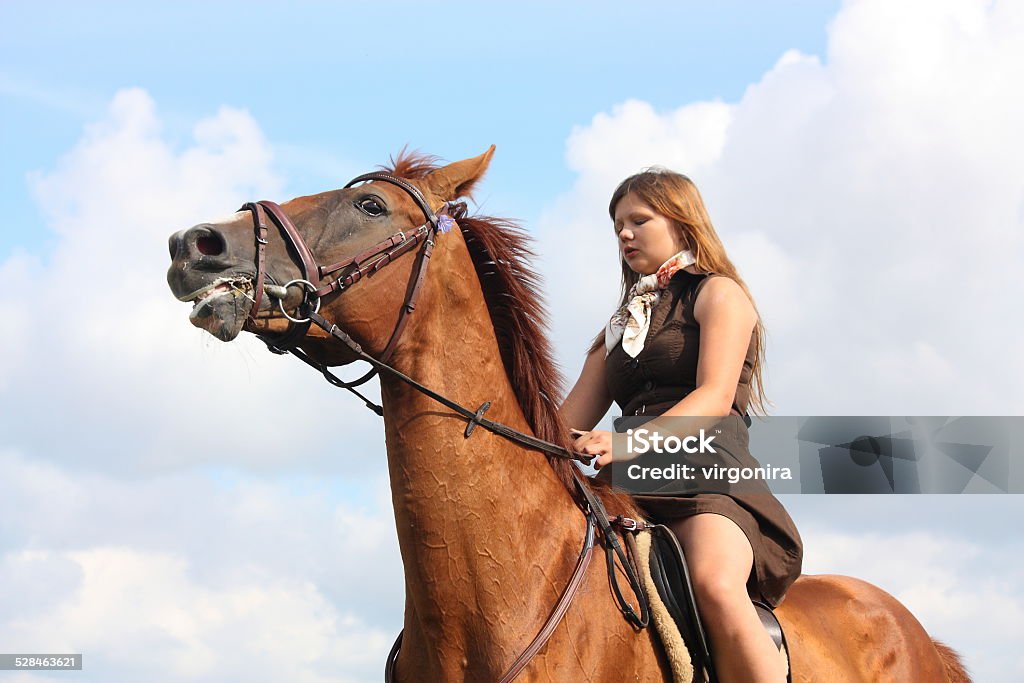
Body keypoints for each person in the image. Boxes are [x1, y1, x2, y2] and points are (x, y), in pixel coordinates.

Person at [559, 169, 803, 683]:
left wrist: (622, 442)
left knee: (714, 584)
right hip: (628, 487)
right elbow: (563, 424)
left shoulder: (720, 294)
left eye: (638, 221)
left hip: (708, 480)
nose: (624, 234)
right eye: (617, 225)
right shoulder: (620, 325)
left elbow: (714, 398)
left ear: (681, 221)